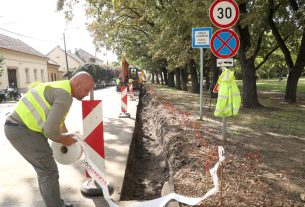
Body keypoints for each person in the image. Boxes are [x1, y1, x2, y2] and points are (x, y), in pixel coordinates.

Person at [4, 71, 94, 207]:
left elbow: (58, 122)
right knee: (48, 171)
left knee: (45, 171)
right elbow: (50, 131)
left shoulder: (61, 87)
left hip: (19, 128)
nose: (87, 94)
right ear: (77, 83)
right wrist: (65, 140)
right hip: (23, 130)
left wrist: (66, 134)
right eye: (86, 90)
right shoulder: (65, 96)